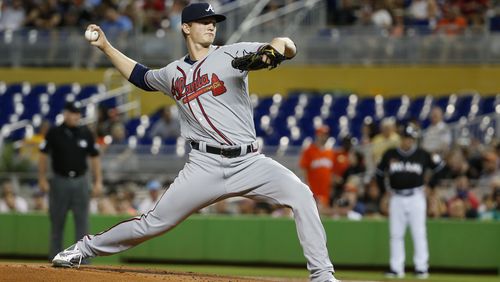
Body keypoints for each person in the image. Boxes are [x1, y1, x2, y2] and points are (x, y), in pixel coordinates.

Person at [51, 3, 338, 281]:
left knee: (301, 194)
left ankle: (323, 276)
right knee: (153, 223)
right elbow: (140, 76)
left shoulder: (231, 54)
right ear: (186, 27)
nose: (211, 26)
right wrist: (105, 46)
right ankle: (83, 248)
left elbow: (285, 43)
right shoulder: (172, 73)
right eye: (204, 22)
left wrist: (274, 49)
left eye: (213, 23)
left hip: (248, 161)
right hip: (204, 165)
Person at [376, 124, 445, 279]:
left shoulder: (422, 154)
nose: (408, 142)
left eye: (410, 139)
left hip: (416, 197)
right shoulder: (390, 154)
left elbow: (440, 168)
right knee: (396, 234)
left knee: (418, 233)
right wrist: (383, 192)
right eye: (405, 138)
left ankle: (421, 268)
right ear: (401, 138)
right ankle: (396, 268)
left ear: (414, 140)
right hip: (396, 197)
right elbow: (379, 173)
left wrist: (432, 186)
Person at [39, 101, 103, 261]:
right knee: (57, 223)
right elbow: (42, 155)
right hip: (59, 180)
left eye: (77, 113)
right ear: (66, 114)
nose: (76, 116)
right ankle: (54, 259)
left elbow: (95, 157)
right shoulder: (54, 133)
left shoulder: (85, 133)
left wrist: (98, 181)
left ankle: (82, 260)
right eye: (72, 113)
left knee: (82, 224)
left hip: (81, 181)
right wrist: (42, 178)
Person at [299, 125, 335, 211]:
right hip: (312, 191)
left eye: (326, 135)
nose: (324, 137)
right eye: (322, 135)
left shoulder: (330, 152)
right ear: (317, 135)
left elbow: (331, 173)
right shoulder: (309, 151)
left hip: (326, 192)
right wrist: (307, 187)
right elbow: (303, 169)